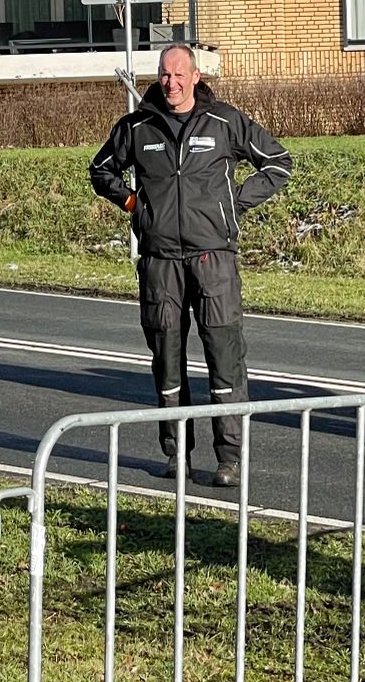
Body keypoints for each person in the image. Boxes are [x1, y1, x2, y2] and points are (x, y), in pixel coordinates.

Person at [90, 44, 292, 487]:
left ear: (195, 76)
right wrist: (133, 204)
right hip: (160, 262)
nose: (171, 83)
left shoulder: (224, 121)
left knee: (225, 357)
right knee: (166, 359)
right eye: (164, 74)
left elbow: (279, 163)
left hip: (213, 258)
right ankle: (177, 452)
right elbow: (101, 170)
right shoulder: (138, 125)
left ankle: (229, 457)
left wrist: (233, 206)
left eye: (180, 75)